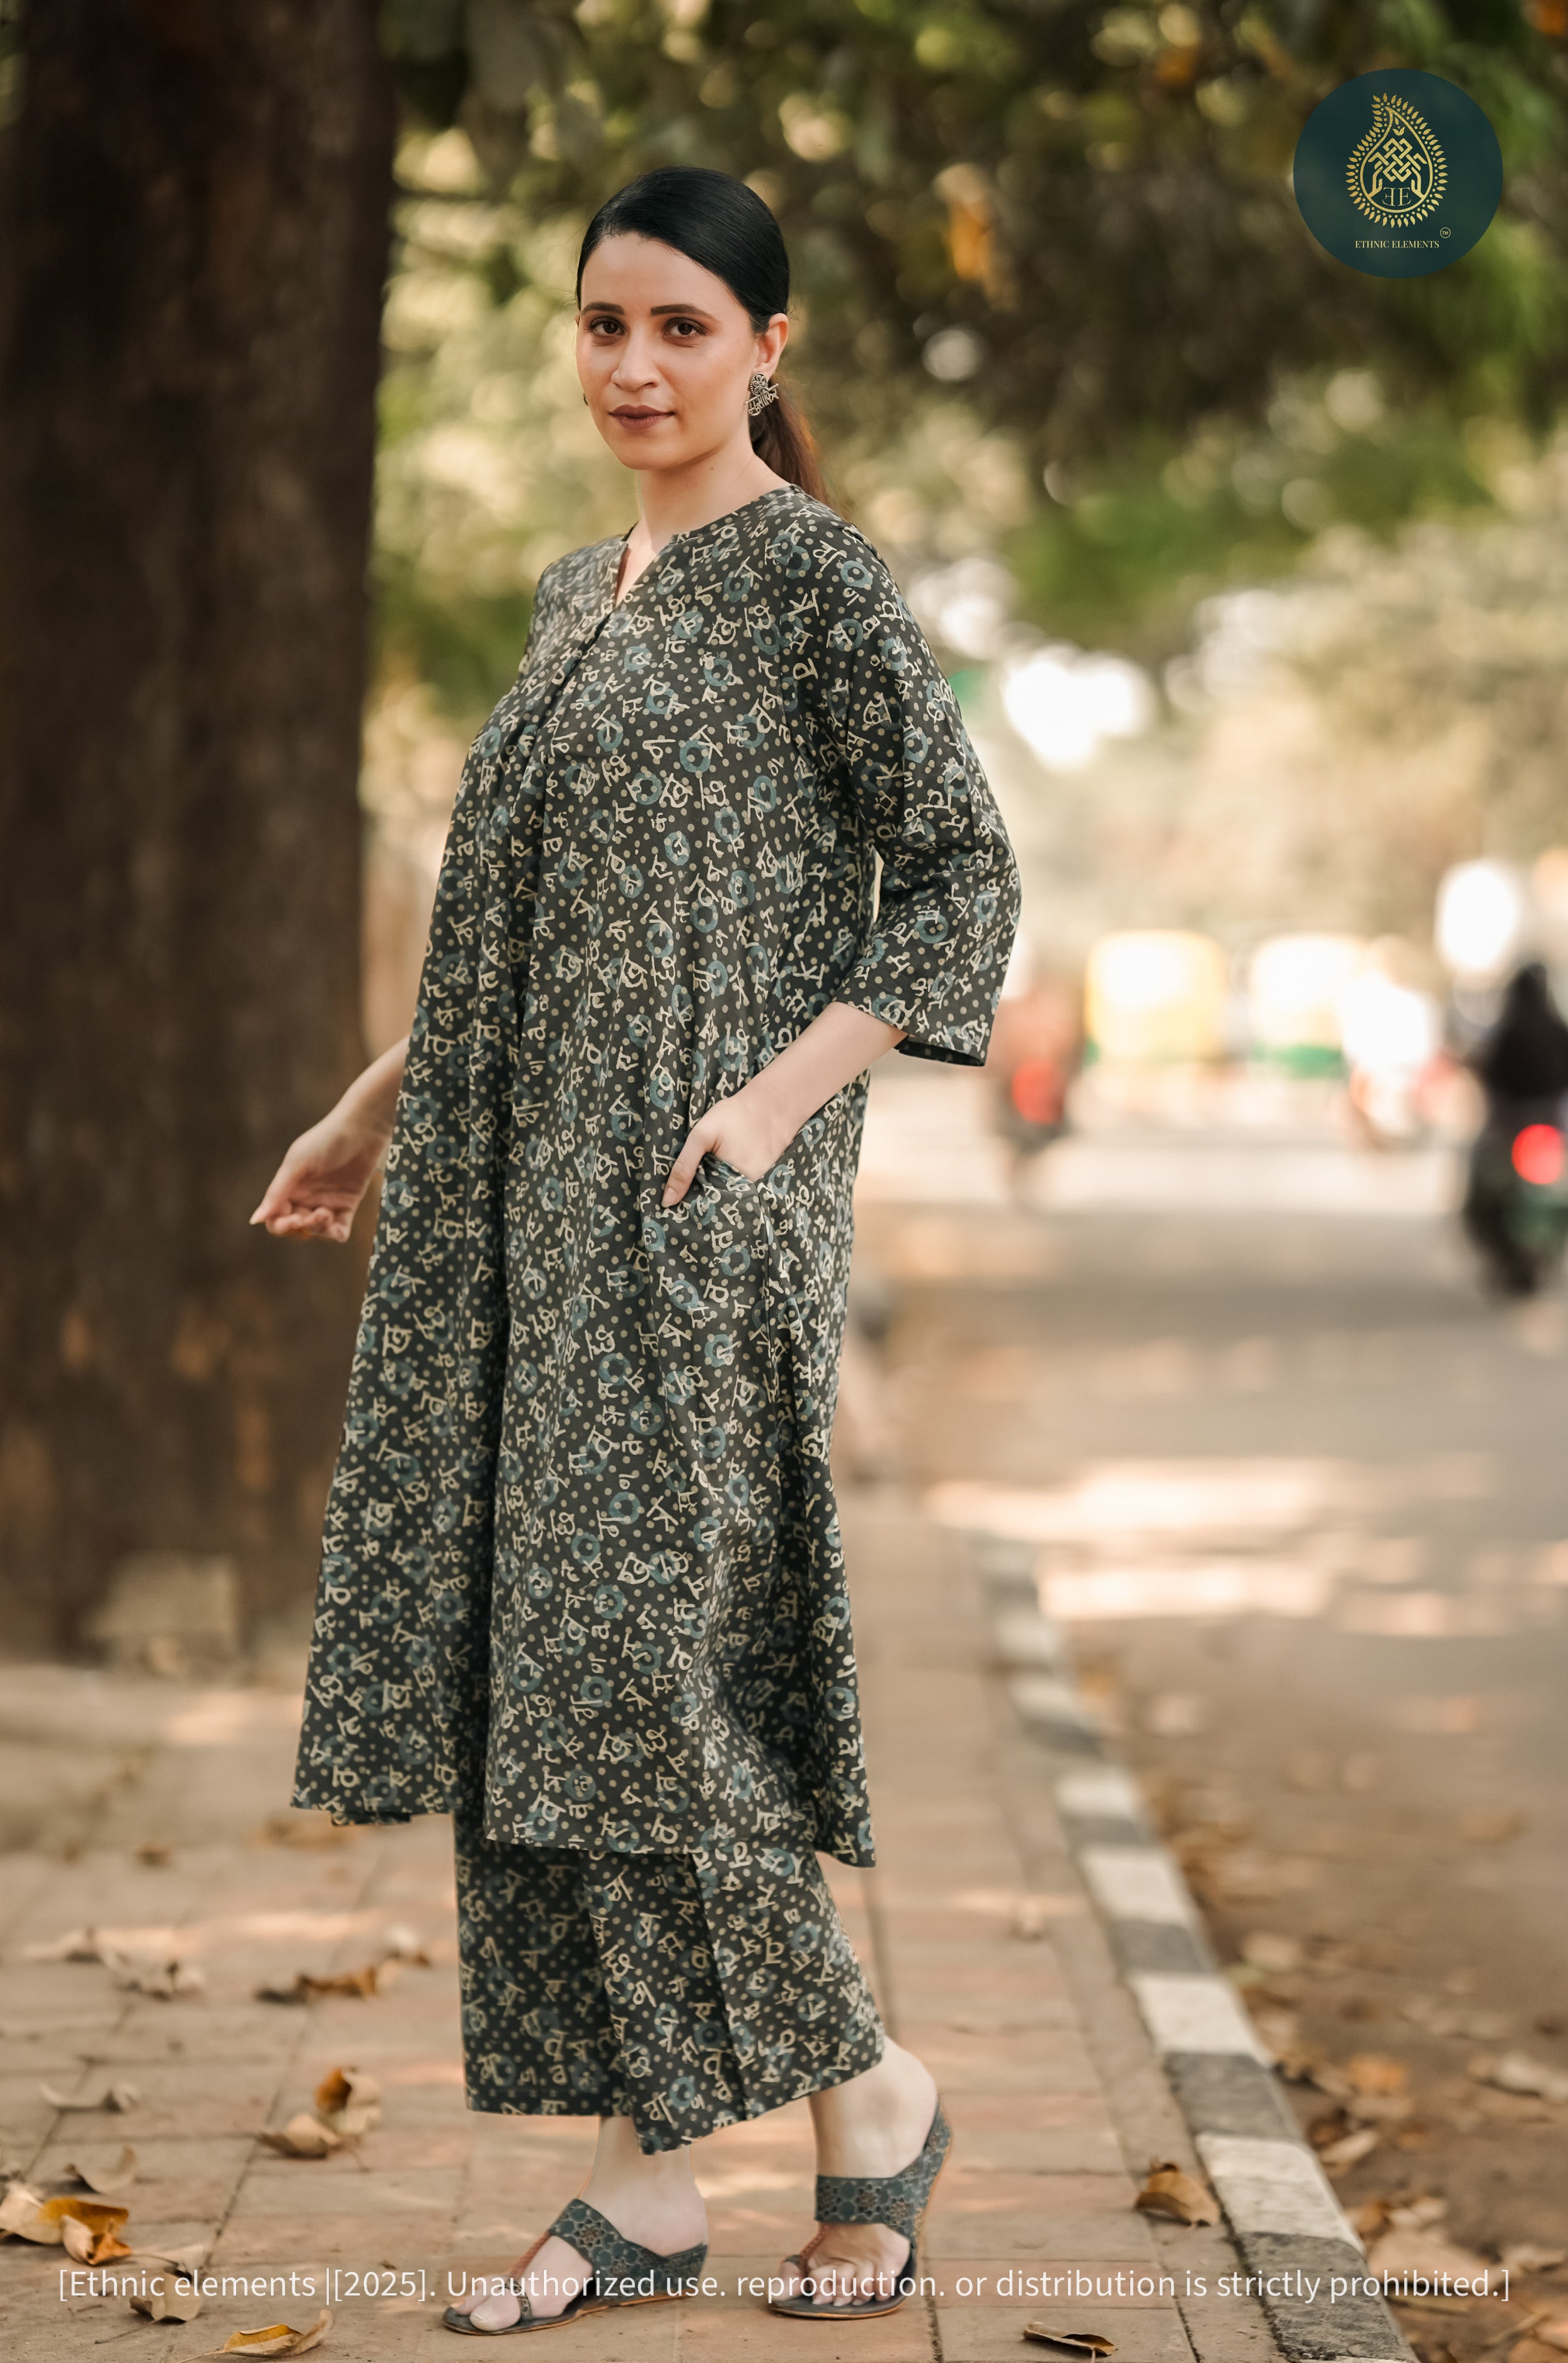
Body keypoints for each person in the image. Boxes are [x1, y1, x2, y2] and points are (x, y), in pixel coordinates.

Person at [254, 164, 1020, 2337]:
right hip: (509, 1224)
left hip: (693, 1226)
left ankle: (868, 2093)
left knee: (638, 1689)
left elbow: (960, 882)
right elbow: (516, 948)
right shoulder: (568, 599)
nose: (636, 366)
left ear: (767, 349)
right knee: (538, 1685)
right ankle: (647, 2180)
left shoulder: (813, 588)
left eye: (682, 327)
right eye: (604, 324)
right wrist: (364, 1113)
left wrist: (773, 1106)